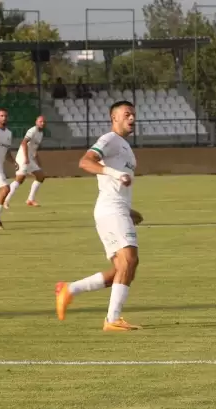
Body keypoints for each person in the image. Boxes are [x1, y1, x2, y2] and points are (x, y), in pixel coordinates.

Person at [55, 101, 143, 332]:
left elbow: (114, 185)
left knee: (121, 270)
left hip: (116, 209)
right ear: (114, 118)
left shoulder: (125, 146)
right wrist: (115, 173)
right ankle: (112, 319)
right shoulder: (110, 139)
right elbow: (85, 161)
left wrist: (128, 210)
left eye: (133, 114)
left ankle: (69, 289)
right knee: (130, 261)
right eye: (127, 115)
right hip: (110, 209)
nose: (132, 118)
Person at [4, 115, 47, 208]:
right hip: (23, 157)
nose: (42, 123)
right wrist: (26, 158)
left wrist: (37, 160)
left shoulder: (41, 134)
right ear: (36, 122)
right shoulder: (32, 130)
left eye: (44, 122)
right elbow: (23, 143)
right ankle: (5, 199)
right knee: (20, 179)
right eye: (40, 121)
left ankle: (30, 199)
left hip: (30, 158)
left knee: (41, 176)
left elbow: (34, 149)